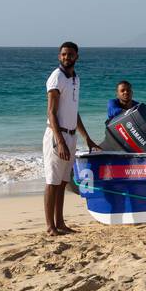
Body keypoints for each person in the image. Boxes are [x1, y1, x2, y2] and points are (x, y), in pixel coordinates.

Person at [43, 41, 98, 236]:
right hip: (56, 135)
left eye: (71, 54)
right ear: (59, 56)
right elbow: (51, 112)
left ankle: (60, 223)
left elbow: (74, 112)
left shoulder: (75, 79)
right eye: (64, 54)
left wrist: (87, 138)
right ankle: (50, 226)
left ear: (77, 57)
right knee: (52, 181)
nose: (67, 57)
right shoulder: (56, 77)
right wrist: (60, 141)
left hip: (72, 135)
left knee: (63, 181)